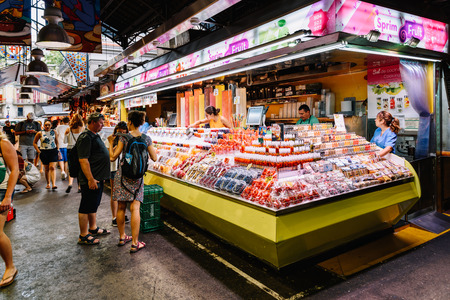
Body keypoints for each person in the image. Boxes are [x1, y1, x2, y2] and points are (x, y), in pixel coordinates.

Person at [109, 111, 157, 253]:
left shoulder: (124, 138)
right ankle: (135, 243)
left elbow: (112, 157)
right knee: (135, 208)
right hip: (137, 179)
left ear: (129, 122)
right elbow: (154, 158)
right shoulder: (147, 139)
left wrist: (111, 143)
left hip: (123, 176)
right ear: (142, 122)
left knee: (121, 207)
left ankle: (122, 237)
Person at [76, 112, 111, 245]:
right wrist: (90, 179)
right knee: (86, 206)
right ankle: (83, 235)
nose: (102, 125)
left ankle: (93, 228)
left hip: (97, 177)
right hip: (90, 179)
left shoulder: (93, 135)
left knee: (93, 204)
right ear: (92, 122)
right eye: (100, 123)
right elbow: (83, 160)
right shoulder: (86, 137)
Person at [0, 136, 19, 288]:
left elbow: (15, 170)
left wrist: (7, 197)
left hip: (1, 191)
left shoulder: (3, 143)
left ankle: (10, 267)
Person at [105, 121, 130, 226]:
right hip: (114, 169)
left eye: (123, 133)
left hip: (124, 169)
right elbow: (109, 155)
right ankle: (114, 217)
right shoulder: (110, 140)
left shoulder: (128, 140)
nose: (121, 135)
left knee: (123, 193)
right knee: (114, 194)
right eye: (119, 132)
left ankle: (121, 214)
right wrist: (113, 145)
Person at [33, 120, 60, 189]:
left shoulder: (54, 132)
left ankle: (54, 184)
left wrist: (58, 150)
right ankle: (48, 183)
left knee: (53, 167)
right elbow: (34, 143)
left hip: (53, 151)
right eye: (46, 125)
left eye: (49, 125)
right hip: (44, 152)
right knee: (47, 168)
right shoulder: (40, 133)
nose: (47, 126)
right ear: (43, 126)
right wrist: (38, 151)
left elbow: (57, 141)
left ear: (51, 125)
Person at [64, 114, 84, 193]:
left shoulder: (68, 129)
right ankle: (79, 187)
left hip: (70, 150)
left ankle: (70, 184)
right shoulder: (82, 129)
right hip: (79, 149)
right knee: (80, 168)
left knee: (71, 167)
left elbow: (65, 141)